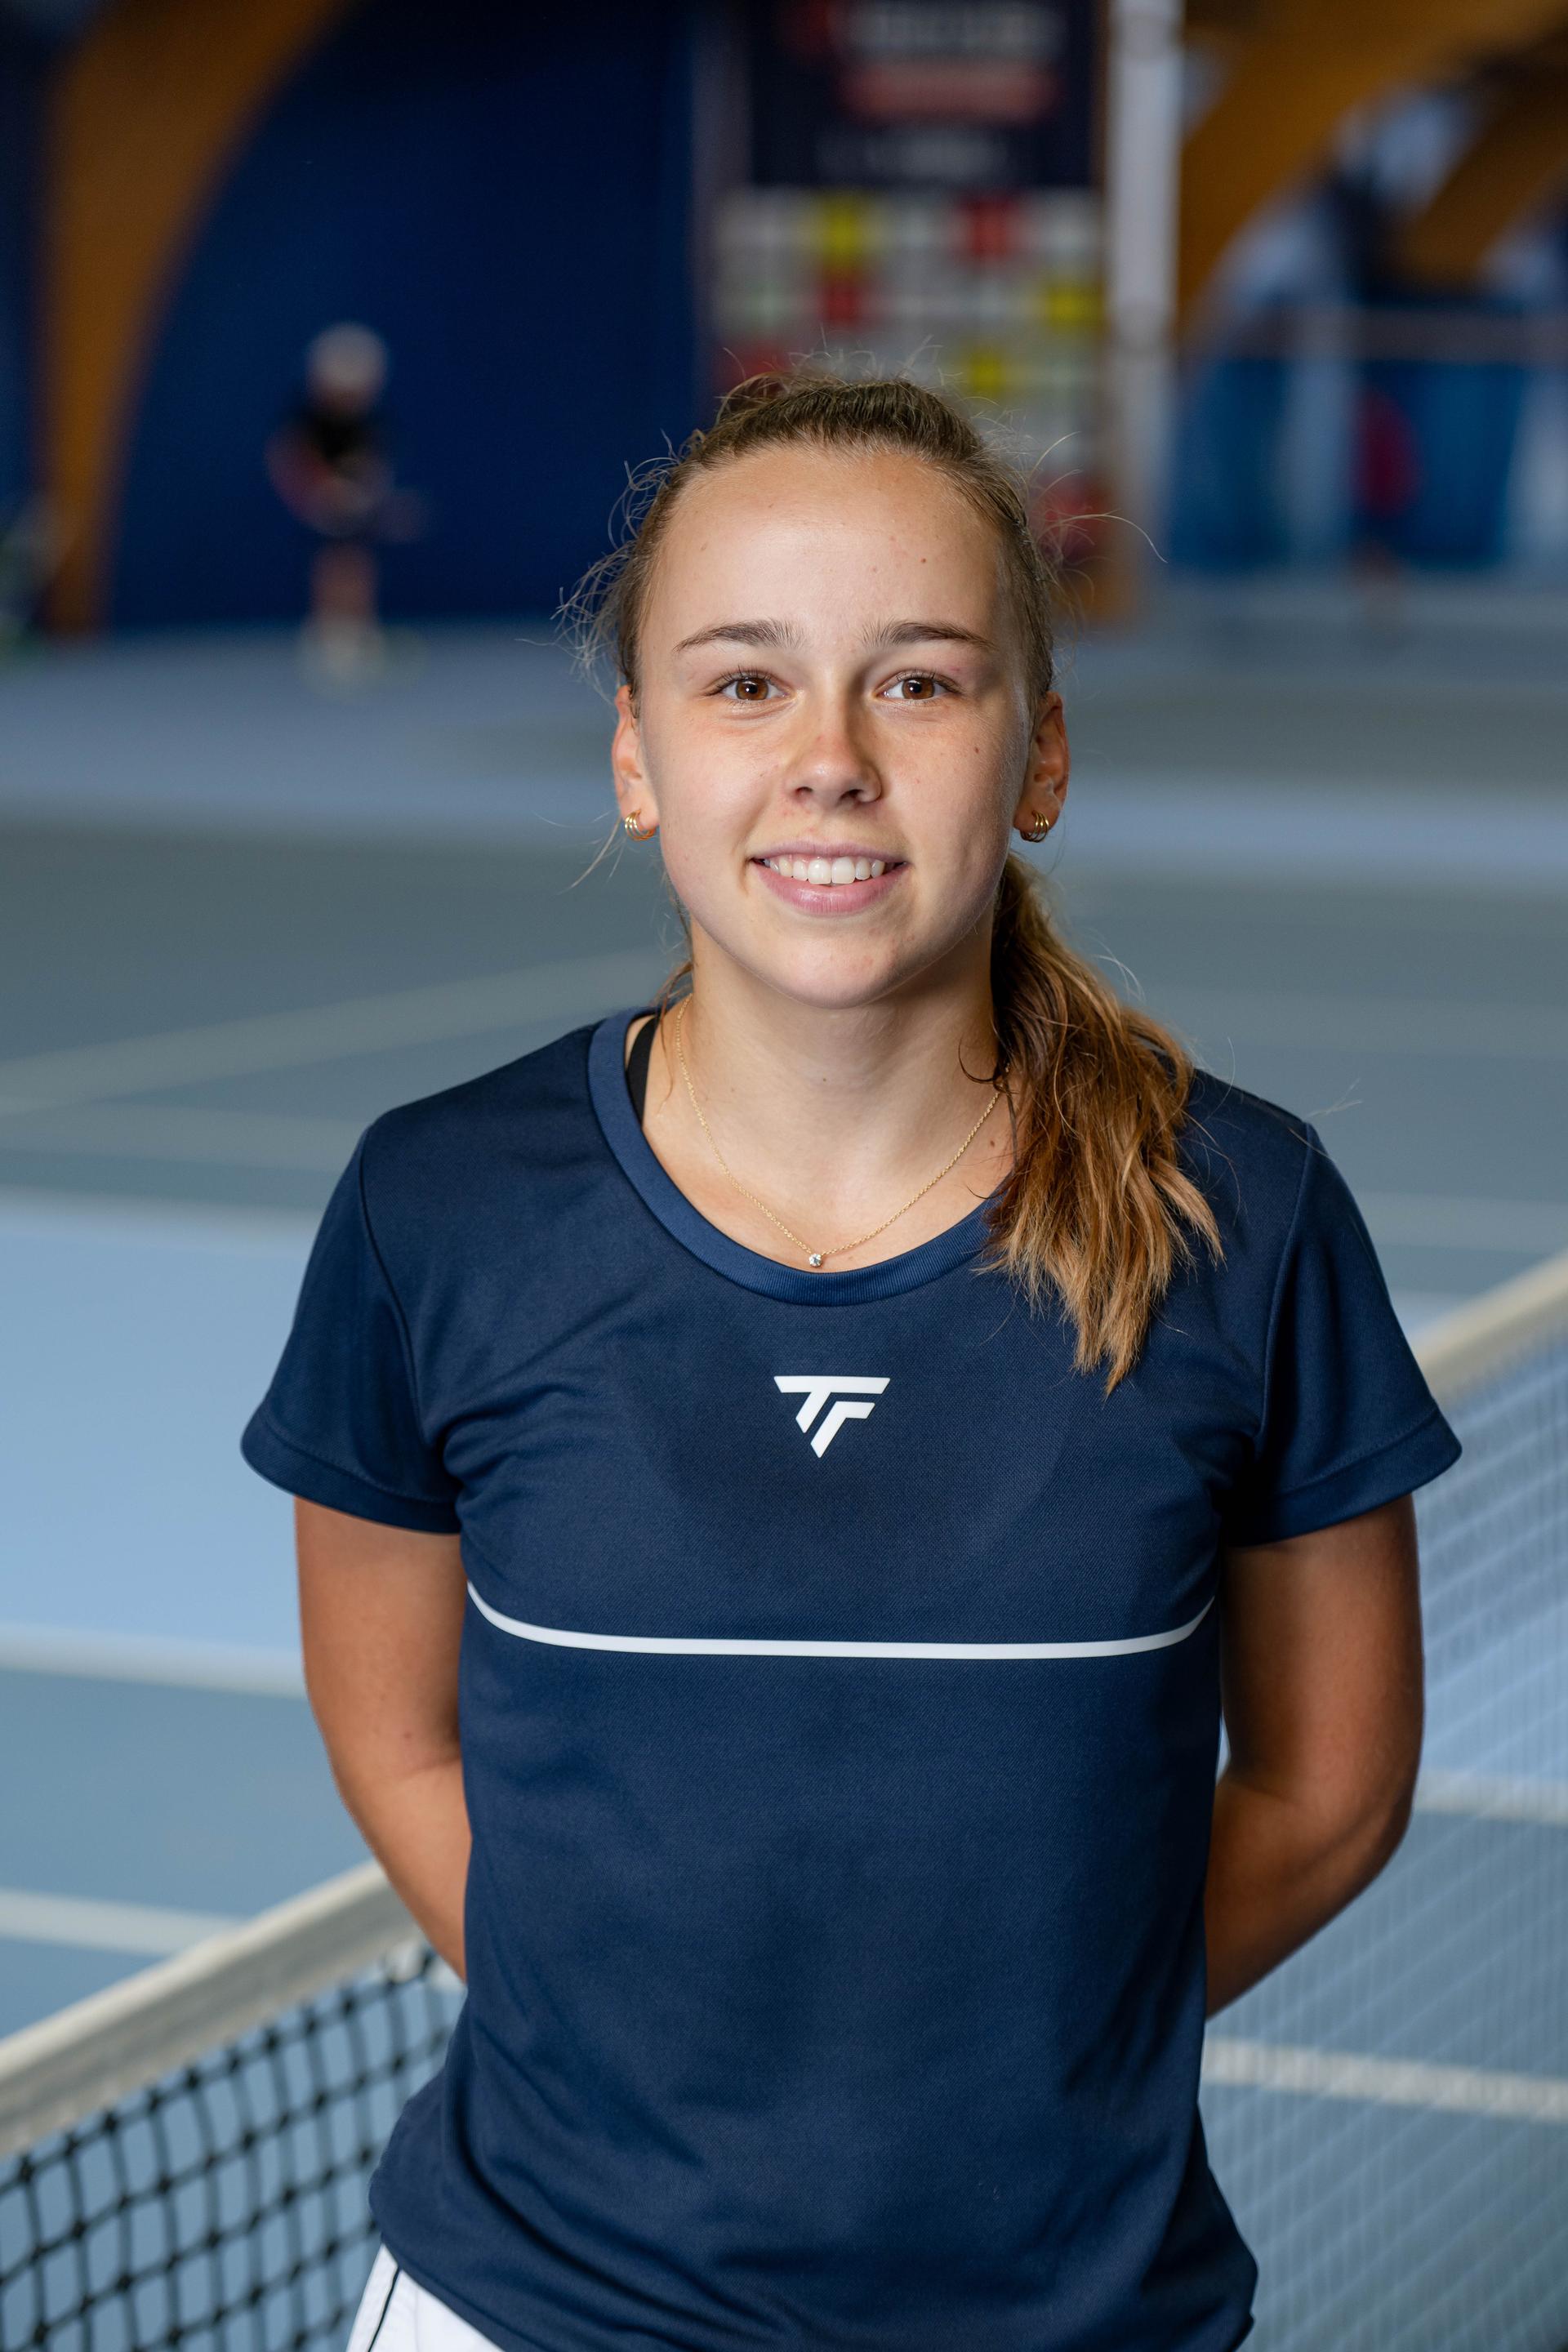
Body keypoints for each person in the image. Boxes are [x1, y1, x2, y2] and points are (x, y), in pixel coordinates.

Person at [242, 369, 1461, 2352]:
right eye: (742, 684)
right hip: (528, 2306)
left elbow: (1329, 1786)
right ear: (636, 757)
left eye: (917, 680)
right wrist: (632, 2046)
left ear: (1037, 754)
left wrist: (1015, 2048)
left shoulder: (1244, 1217)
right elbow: (397, 1735)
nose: (828, 757)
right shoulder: (434, 1211)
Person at [265, 322, 410, 684]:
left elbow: (376, 465)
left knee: (356, 562)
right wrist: (319, 492)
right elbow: (289, 459)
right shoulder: (307, 421)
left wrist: (367, 495)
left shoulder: (370, 423)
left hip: (355, 504)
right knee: (334, 562)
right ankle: (330, 635)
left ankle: (358, 631)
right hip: (320, 504)